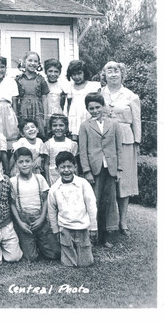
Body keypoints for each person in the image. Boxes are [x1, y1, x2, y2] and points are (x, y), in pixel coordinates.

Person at [101, 61, 141, 237]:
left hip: (125, 139)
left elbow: (137, 121)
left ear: (122, 74)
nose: (113, 74)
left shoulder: (131, 96)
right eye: (109, 70)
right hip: (105, 139)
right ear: (104, 74)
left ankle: (123, 222)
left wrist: (137, 143)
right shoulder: (99, 93)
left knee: (124, 182)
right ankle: (107, 222)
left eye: (116, 70)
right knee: (107, 180)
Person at [79, 92, 123, 248]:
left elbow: (119, 148)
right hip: (94, 169)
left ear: (103, 106)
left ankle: (104, 236)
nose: (95, 110)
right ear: (87, 109)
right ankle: (93, 234)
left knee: (108, 202)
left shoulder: (114, 124)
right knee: (94, 202)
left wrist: (119, 169)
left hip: (110, 169)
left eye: (98, 107)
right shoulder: (85, 126)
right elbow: (83, 150)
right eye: (91, 108)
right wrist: (87, 171)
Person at [47, 151, 98, 267]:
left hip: (82, 227)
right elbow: (51, 211)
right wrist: (55, 230)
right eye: (62, 167)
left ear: (75, 167)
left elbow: (91, 206)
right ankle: (68, 251)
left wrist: (93, 227)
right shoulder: (54, 189)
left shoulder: (83, 184)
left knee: (86, 263)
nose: (66, 170)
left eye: (69, 166)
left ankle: (85, 247)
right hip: (65, 228)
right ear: (57, 169)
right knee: (69, 263)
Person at [10, 147, 60, 262]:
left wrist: (42, 218)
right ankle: (33, 243)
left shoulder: (39, 178)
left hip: (39, 218)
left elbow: (45, 199)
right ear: (16, 164)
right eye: (20, 162)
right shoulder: (13, 181)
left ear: (32, 162)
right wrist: (20, 223)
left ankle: (42, 242)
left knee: (55, 253)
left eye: (27, 161)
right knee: (31, 257)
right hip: (24, 220)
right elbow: (12, 204)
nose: (24, 165)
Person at [14, 51, 49, 139]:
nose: (33, 63)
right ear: (24, 62)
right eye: (30, 60)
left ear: (38, 64)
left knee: (38, 133)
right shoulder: (18, 79)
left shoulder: (41, 79)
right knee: (24, 131)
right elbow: (14, 99)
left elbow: (44, 99)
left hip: (37, 110)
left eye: (35, 61)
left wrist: (45, 117)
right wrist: (15, 115)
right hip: (23, 110)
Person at [66, 60, 101, 141]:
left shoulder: (92, 86)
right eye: (74, 74)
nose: (76, 77)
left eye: (79, 73)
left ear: (84, 73)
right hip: (74, 116)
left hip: (87, 115)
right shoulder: (70, 87)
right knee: (76, 139)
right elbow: (68, 105)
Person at [41, 114, 78, 185]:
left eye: (61, 125)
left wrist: (76, 177)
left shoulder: (72, 144)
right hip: (53, 175)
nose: (58, 128)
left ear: (66, 127)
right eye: (55, 125)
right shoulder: (48, 144)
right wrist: (47, 181)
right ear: (51, 127)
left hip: (68, 173)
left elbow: (74, 163)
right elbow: (46, 164)